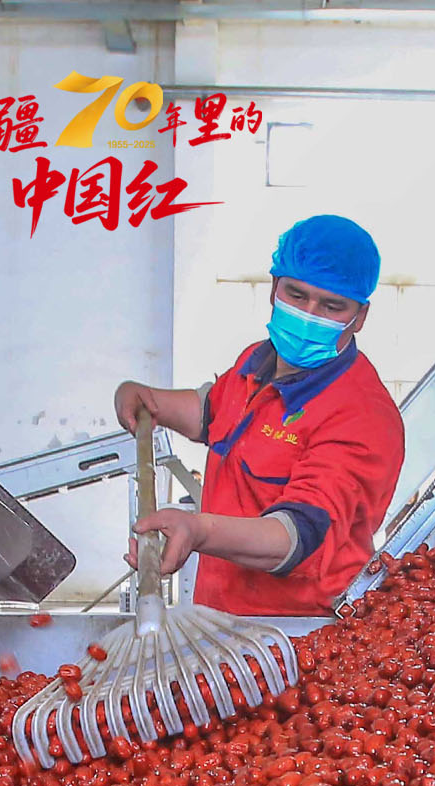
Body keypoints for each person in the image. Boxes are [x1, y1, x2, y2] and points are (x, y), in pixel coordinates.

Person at [114, 213, 404, 629]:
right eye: (296, 295)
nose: (308, 314)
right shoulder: (258, 360)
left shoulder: (362, 416)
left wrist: (198, 530)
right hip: (220, 620)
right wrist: (148, 399)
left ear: (360, 316)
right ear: (273, 289)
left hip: (296, 635)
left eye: (331, 306)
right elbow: (214, 413)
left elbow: (294, 535)